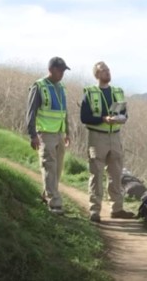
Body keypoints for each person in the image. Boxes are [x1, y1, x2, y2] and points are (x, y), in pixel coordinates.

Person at [80, 61, 136, 222]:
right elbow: (84, 118)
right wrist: (103, 119)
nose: (107, 73)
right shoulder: (90, 93)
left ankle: (117, 209)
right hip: (97, 137)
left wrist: (121, 119)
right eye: (104, 71)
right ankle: (94, 211)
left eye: (108, 70)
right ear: (97, 75)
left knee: (116, 174)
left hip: (115, 136)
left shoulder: (118, 92)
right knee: (96, 174)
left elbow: (125, 113)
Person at [26, 57, 71, 215]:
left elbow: (64, 113)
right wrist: (33, 135)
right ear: (51, 69)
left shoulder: (62, 88)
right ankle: (54, 203)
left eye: (64, 71)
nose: (62, 74)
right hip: (45, 134)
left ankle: (47, 194)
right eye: (60, 70)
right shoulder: (39, 86)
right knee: (49, 166)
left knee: (57, 169)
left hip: (59, 133)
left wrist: (67, 133)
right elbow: (30, 112)